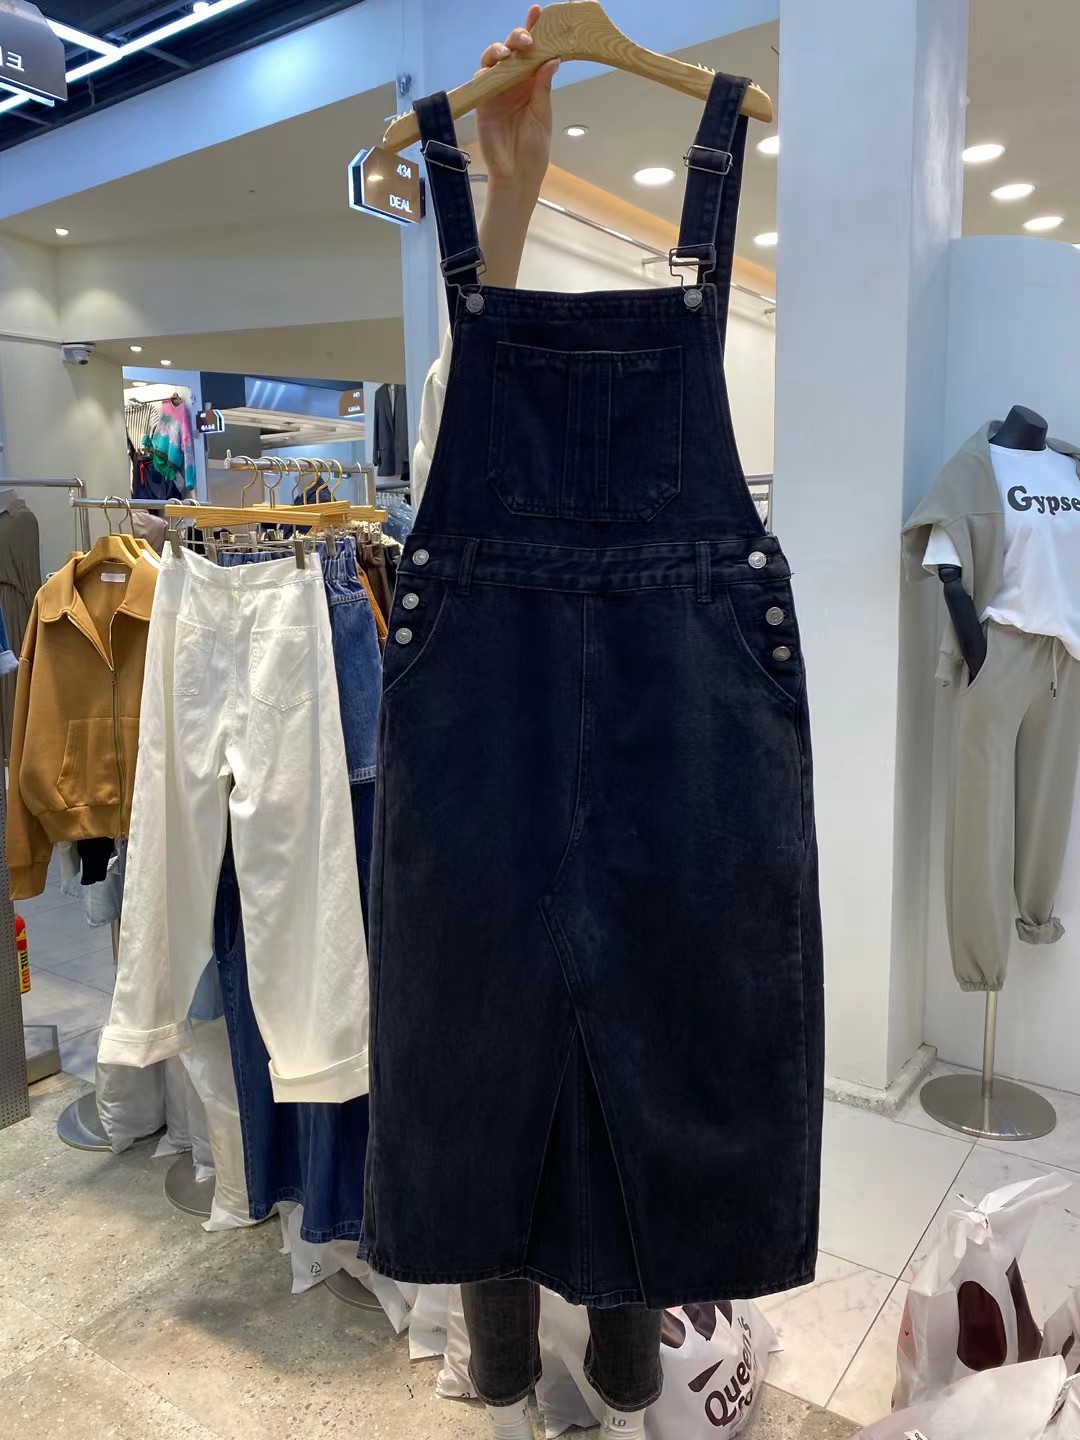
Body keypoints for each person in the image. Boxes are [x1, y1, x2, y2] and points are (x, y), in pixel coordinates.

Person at [412, 16, 666, 1440]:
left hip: (651, 728)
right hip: (492, 741)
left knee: (635, 1058)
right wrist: (509, 188)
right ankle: (514, 1382)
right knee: (486, 1069)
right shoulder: (470, 397)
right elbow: (466, 408)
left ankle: (625, 1380)